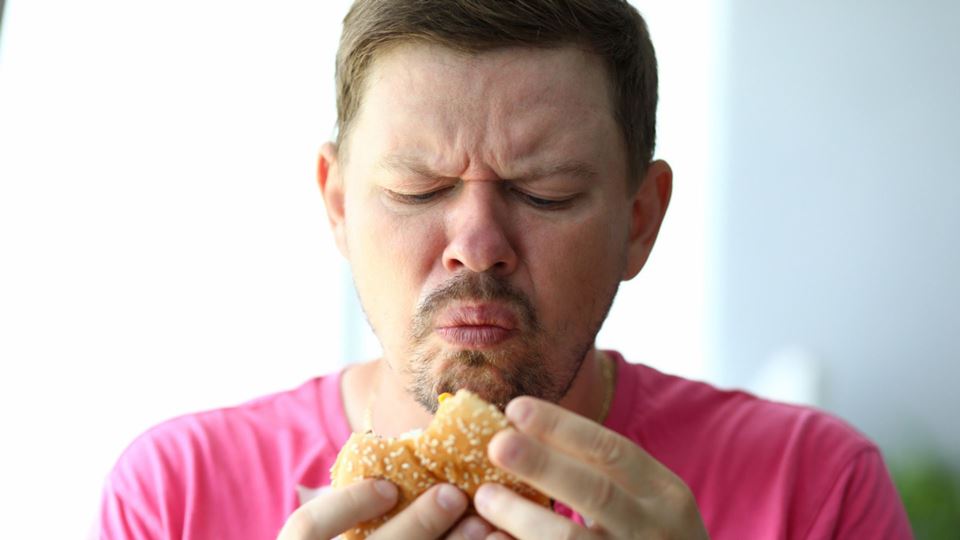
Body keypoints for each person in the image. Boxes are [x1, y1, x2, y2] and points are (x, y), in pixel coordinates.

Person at [98, 1, 913, 538]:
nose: (477, 243)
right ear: (340, 207)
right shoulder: (174, 497)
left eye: (545, 191)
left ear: (640, 220)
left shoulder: (816, 487)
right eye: (418, 189)